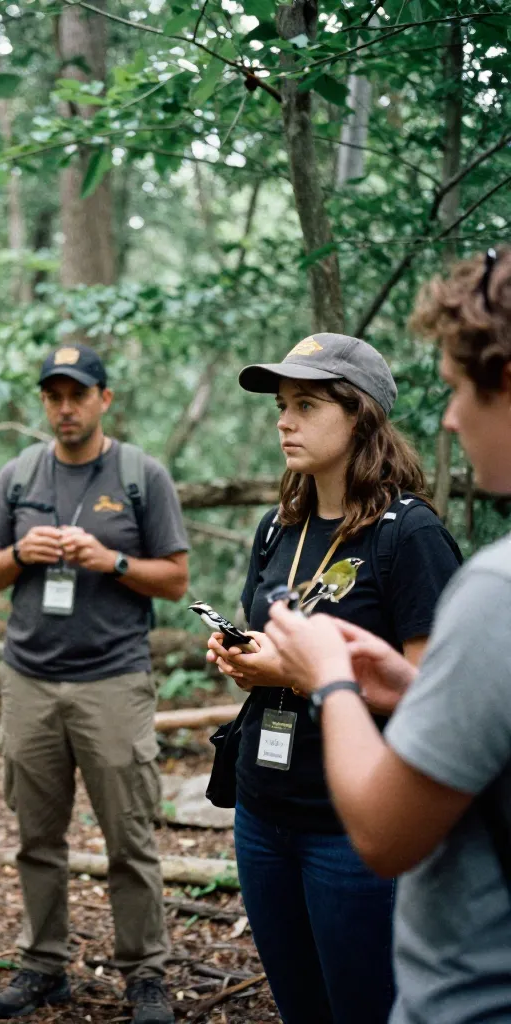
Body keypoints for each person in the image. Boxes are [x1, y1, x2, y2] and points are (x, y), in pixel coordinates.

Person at [265, 249, 511, 1024]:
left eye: (461, 387)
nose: (450, 416)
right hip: (269, 798)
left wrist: (330, 678)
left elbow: (385, 833)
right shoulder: (282, 525)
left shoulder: (471, 574)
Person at [206, 332, 461, 1024]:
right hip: (262, 815)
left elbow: (434, 701)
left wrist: (298, 673)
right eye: (282, 405)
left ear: (360, 416)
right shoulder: (275, 529)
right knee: (299, 1007)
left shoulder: (408, 537)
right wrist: (243, 661)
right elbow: (271, 660)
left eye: (306, 404)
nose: (284, 420)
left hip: (350, 830)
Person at [0, 343, 191, 1024]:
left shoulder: (139, 476)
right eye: (53, 396)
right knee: (37, 837)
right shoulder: (18, 475)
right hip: (30, 680)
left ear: (104, 399)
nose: (65, 409)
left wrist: (113, 559)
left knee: (129, 838)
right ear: (44, 402)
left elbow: (177, 579)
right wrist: (19, 553)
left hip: (113, 680)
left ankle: (145, 974)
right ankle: (43, 964)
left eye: (78, 395)